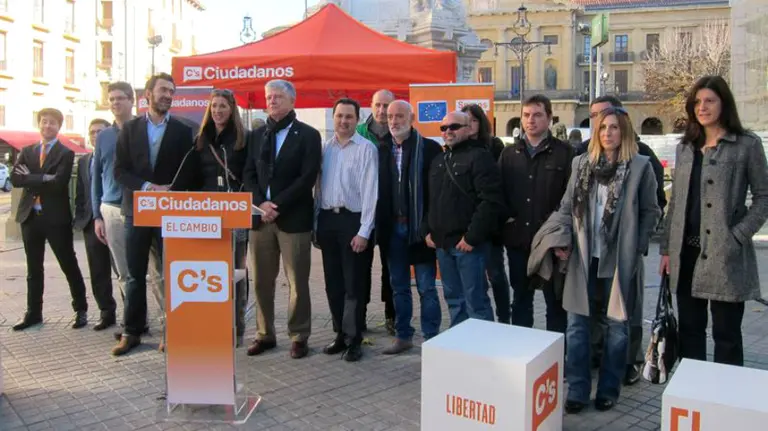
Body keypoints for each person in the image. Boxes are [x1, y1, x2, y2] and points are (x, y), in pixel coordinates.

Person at [532, 106, 660, 413]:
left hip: (620, 260)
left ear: (623, 132)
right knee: (577, 325)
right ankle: (577, 389)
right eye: (602, 128)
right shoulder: (581, 164)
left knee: (617, 327)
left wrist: (638, 247)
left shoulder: (640, 166)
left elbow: (651, 212)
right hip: (583, 258)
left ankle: (608, 389)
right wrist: (560, 241)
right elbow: (566, 207)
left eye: (613, 128)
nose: (607, 133)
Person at [660, 75, 768, 366]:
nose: (702, 107)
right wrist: (667, 250)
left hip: (726, 256)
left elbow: (763, 197)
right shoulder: (686, 148)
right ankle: (692, 396)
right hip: (687, 254)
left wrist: (737, 235)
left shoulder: (746, 145)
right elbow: (676, 203)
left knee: (727, 335)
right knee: (690, 332)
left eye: (710, 100)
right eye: (697, 102)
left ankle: (725, 401)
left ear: (724, 103)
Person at [579, 95, 667, 385]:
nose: (601, 125)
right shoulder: (583, 156)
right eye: (594, 118)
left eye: (605, 117)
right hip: (591, 251)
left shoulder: (641, 157)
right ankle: (597, 355)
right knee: (593, 307)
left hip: (623, 252)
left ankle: (630, 361)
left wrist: (639, 244)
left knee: (626, 311)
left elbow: (654, 205)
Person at [111, 73, 199, 356]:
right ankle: (132, 332)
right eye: (163, 90)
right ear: (147, 94)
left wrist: (174, 189)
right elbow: (120, 170)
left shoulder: (184, 131)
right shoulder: (129, 129)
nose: (168, 96)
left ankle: (173, 331)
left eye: (171, 92)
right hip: (136, 210)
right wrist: (149, 187)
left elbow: (190, 171)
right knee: (134, 275)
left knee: (170, 274)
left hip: (170, 213)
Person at [243, 80, 321, 359]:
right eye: (269, 97)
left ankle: (299, 335)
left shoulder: (308, 135)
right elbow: (248, 175)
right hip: (260, 219)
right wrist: (260, 203)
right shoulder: (257, 135)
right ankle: (264, 334)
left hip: (293, 218)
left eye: (277, 97)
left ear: (292, 101)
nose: (272, 101)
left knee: (297, 281)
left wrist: (277, 205)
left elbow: (307, 177)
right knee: (262, 281)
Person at [92, 81, 164, 340]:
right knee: (127, 273)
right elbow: (96, 176)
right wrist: (97, 214)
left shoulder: (144, 128)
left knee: (158, 272)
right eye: (111, 99)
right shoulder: (104, 136)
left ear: (133, 100)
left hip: (147, 207)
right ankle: (134, 323)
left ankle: (167, 323)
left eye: (120, 98)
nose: (115, 103)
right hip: (112, 208)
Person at [10, 108, 89, 331]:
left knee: (68, 264)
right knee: (33, 269)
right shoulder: (27, 151)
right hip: (30, 217)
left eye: (52, 123)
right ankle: (33, 313)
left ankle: (80, 309)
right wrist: (44, 176)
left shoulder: (65, 153)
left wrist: (30, 177)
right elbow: (16, 179)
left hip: (56, 218)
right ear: (39, 124)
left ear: (59, 127)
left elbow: (59, 183)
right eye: (44, 122)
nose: (47, 126)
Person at [423, 111, 504, 327]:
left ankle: (483, 356)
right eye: (444, 128)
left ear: (468, 129)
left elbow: (491, 201)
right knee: (454, 301)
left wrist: (471, 238)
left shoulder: (480, 157)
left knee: (476, 303)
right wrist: (428, 231)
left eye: (454, 126)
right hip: (443, 244)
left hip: (469, 246)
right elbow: (431, 199)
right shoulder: (439, 160)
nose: (448, 131)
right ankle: (460, 352)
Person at [499, 95, 571, 333]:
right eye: (527, 115)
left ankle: (556, 358)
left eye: (538, 115)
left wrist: (563, 237)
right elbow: (499, 193)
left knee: (556, 304)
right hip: (518, 240)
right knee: (520, 300)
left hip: (551, 243)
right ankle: (522, 354)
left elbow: (571, 199)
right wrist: (508, 221)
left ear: (549, 118)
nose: (531, 120)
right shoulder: (509, 154)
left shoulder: (565, 154)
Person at [378, 100, 442, 355]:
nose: (393, 120)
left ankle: (432, 338)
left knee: (427, 287)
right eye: (390, 116)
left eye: (399, 116)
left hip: (420, 229)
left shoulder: (430, 149)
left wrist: (430, 227)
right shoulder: (381, 149)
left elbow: (437, 194)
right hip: (392, 230)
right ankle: (404, 336)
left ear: (412, 118)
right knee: (399, 286)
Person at [316, 98, 378, 362]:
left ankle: (354, 340)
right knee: (333, 283)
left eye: (349, 117)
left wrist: (364, 230)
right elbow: (318, 189)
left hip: (354, 221)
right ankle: (340, 334)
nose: (343, 121)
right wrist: (316, 223)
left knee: (354, 284)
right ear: (333, 118)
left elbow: (370, 192)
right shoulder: (324, 148)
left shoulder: (366, 149)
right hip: (329, 221)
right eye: (339, 116)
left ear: (357, 119)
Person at [194, 88, 249, 347]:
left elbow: (249, 176)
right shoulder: (201, 139)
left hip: (234, 215)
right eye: (214, 106)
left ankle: (237, 328)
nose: (218, 110)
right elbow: (191, 176)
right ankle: (213, 324)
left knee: (236, 274)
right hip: (206, 216)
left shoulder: (242, 139)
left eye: (223, 106)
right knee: (212, 274)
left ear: (231, 109)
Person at [461, 103, 510, 324]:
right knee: (475, 280)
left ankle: (503, 317)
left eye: (473, 120)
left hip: (490, 225)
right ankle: (481, 323)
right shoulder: (457, 148)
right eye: (465, 120)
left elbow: (501, 185)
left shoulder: (494, 146)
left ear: (481, 123)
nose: (469, 124)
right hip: (467, 225)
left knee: (496, 274)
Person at [356, 89, 397, 335]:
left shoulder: (400, 133)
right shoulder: (359, 134)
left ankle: (392, 316)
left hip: (392, 212)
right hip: (363, 213)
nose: (382, 111)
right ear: (371, 106)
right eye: (378, 105)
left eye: (386, 106)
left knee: (391, 269)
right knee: (361, 267)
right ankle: (359, 317)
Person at [73, 118, 117, 331]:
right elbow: (81, 192)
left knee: (123, 271)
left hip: (116, 219)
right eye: (92, 132)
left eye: (100, 131)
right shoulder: (84, 161)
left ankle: (134, 315)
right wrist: (82, 218)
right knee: (98, 270)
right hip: (92, 222)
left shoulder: (118, 155)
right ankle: (106, 312)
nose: (95, 135)